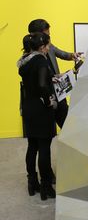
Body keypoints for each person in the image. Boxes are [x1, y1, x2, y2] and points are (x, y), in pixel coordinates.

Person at [17, 32, 57, 200]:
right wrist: (49, 100)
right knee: (44, 147)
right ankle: (46, 186)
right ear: (42, 47)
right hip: (41, 108)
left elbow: (34, 82)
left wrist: (51, 78)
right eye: (48, 45)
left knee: (32, 146)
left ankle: (32, 181)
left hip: (28, 106)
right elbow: (41, 84)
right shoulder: (41, 60)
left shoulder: (25, 61)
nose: (49, 48)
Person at [28, 19, 81, 128]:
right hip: (44, 95)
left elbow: (61, 53)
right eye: (47, 34)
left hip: (58, 90)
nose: (49, 42)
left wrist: (72, 55)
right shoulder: (30, 55)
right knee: (46, 129)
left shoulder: (48, 44)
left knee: (66, 122)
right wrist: (50, 78)